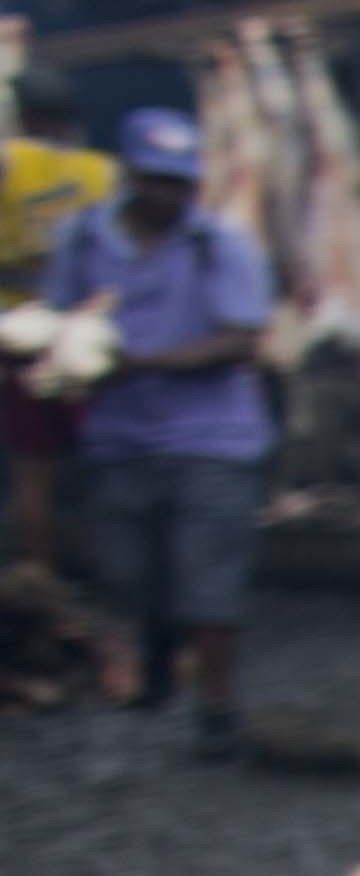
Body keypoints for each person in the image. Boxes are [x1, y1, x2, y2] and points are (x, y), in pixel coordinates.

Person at [48, 110, 273, 761]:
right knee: (128, 573)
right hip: (118, 439)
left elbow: (241, 338)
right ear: (129, 176)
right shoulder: (83, 239)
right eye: (156, 182)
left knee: (211, 581)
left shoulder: (221, 244)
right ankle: (159, 645)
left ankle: (216, 710)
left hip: (214, 437)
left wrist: (139, 364)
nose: (169, 196)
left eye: (181, 183)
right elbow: (65, 316)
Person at [4, 84, 118, 580]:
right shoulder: (104, 171)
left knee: (36, 469)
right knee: (105, 463)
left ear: (25, 114)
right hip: (89, 333)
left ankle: (42, 577)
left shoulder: (10, 163)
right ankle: (116, 573)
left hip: (22, 335)